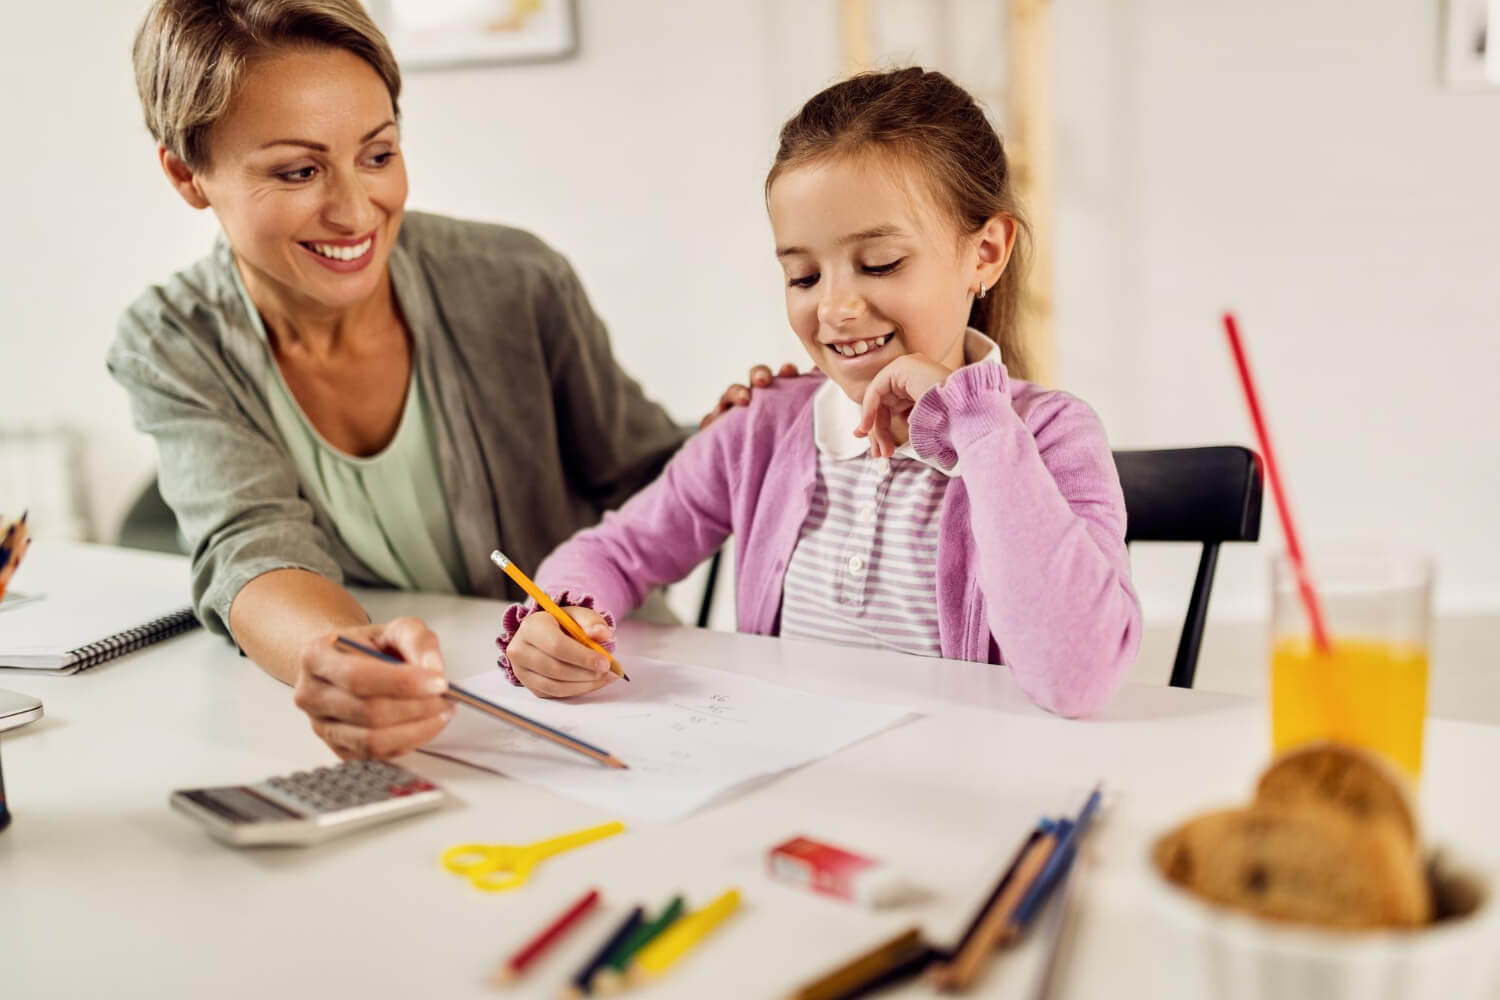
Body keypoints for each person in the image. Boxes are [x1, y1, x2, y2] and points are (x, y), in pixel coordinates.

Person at [108, 0, 788, 759]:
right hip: (434, 729)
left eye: (378, 155)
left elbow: (645, 474)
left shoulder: (513, 281)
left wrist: (734, 441)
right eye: (299, 171)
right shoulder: (172, 341)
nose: (355, 209)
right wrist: (344, 659)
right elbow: (248, 552)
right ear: (186, 173)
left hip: (607, 704)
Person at [500, 68, 1142, 717]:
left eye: (880, 263)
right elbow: (614, 551)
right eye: (803, 276)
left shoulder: (1051, 435)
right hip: (796, 784)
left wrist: (977, 423)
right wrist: (561, 616)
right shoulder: (762, 428)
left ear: (985, 253)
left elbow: (1077, 676)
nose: (834, 308)